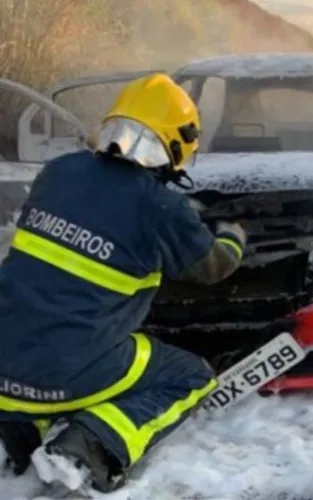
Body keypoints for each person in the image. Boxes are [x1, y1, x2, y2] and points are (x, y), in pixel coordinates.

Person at [0, 73, 246, 493]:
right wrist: (233, 234)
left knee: (57, 342)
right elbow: (213, 267)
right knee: (191, 376)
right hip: (69, 366)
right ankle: (91, 444)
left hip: (5, 361)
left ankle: (22, 429)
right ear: (177, 142)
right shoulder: (160, 206)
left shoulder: (58, 171)